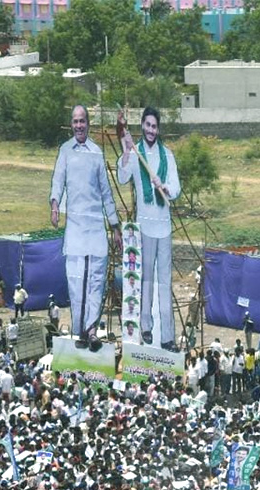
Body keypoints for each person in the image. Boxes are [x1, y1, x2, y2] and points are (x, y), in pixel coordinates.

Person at [49, 104, 121, 352]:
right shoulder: (65, 151)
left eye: (83, 121)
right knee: (76, 280)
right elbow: (58, 180)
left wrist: (115, 225)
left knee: (96, 280)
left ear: (88, 124)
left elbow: (105, 191)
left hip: (96, 228)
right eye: (75, 121)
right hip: (76, 229)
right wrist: (55, 205)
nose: (79, 125)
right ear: (71, 124)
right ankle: (80, 329)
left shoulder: (96, 153)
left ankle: (91, 330)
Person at [117, 107, 181, 352]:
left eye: (155, 126)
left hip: (163, 227)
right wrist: (125, 151)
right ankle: (145, 326)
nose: (151, 130)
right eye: (148, 125)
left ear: (158, 129)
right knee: (145, 280)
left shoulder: (168, 155)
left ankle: (167, 337)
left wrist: (164, 187)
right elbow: (123, 177)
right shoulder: (135, 155)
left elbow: (175, 188)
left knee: (164, 283)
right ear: (142, 126)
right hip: (144, 227)